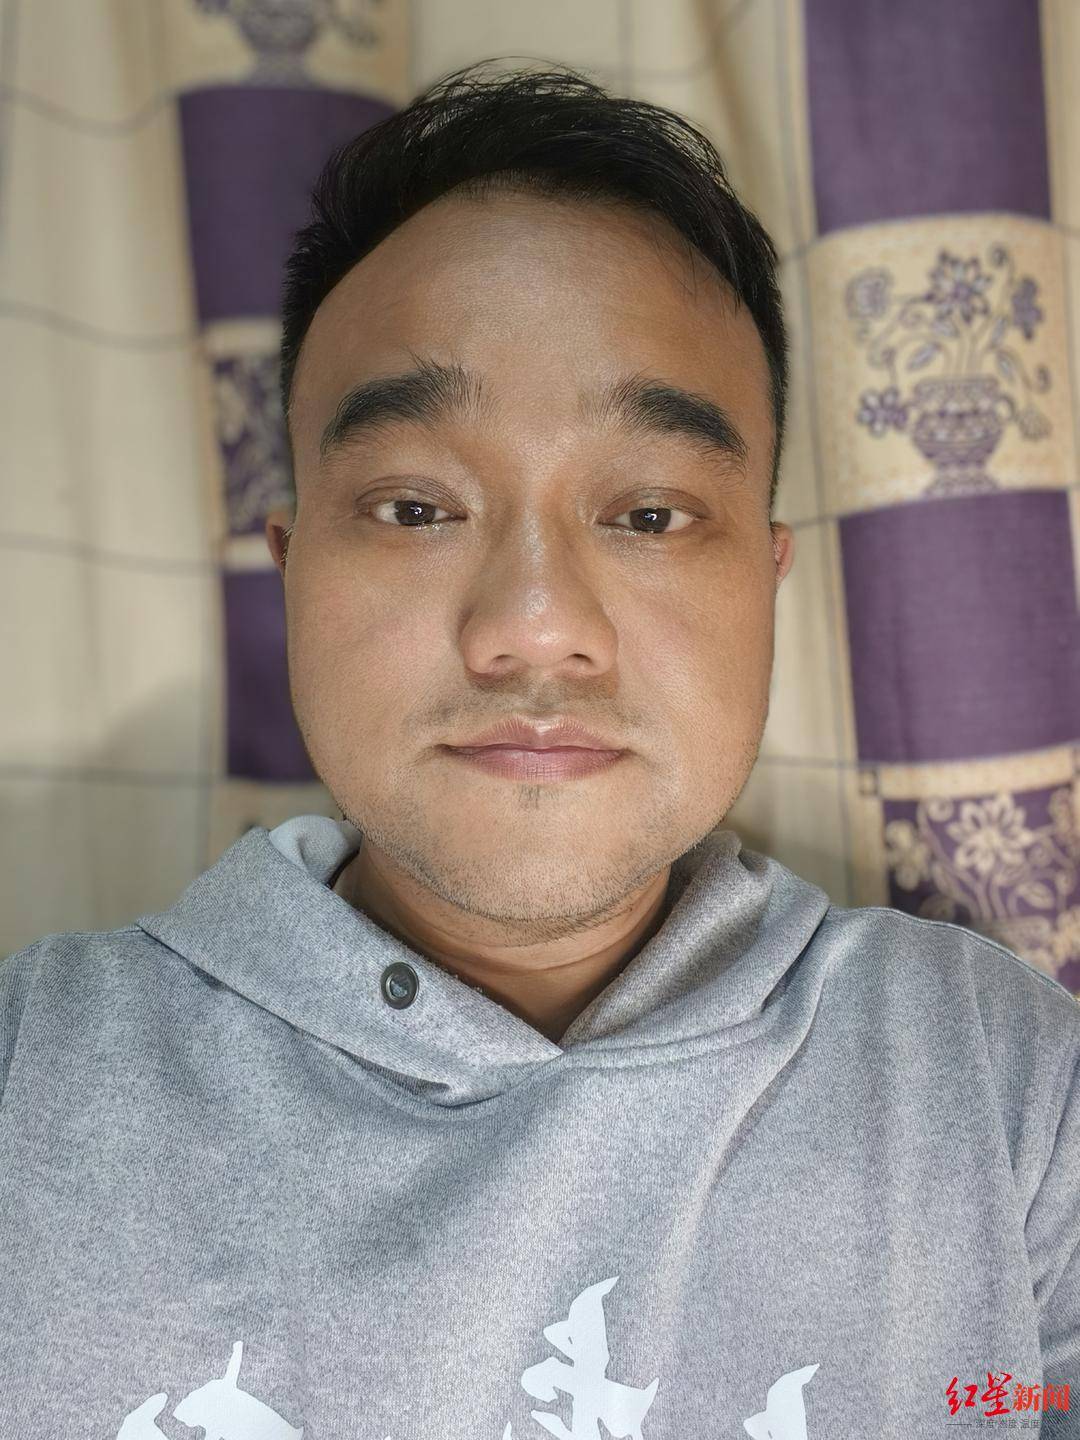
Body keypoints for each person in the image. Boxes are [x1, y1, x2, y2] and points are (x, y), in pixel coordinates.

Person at [1, 61, 1077, 1440]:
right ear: (291, 567)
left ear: (767, 580)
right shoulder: (32, 1077)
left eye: (648, 516)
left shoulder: (1002, 1092)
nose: (534, 627)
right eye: (414, 507)